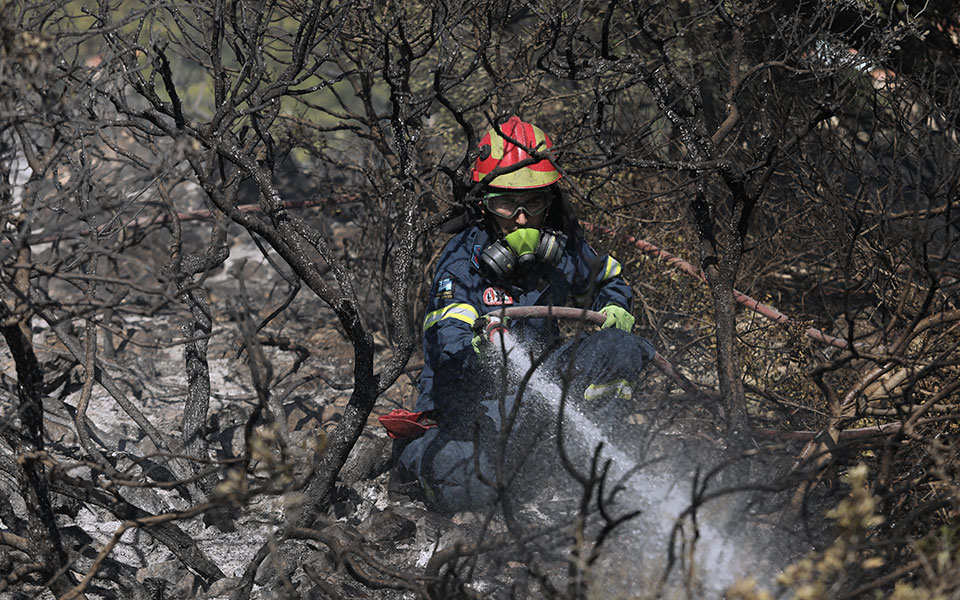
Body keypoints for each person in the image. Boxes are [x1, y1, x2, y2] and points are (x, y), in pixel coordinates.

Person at [386, 116, 655, 513]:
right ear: (484, 205)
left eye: (534, 202)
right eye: (506, 204)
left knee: (620, 348)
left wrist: (613, 305)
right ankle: (413, 454)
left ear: (551, 201)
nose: (522, 218)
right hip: (474, 409)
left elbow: (606, 279)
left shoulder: (561, 250)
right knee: (480, 490)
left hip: (537, 396)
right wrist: (476, 343)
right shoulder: (463, 264)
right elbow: (447, 345)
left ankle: (594, 466)